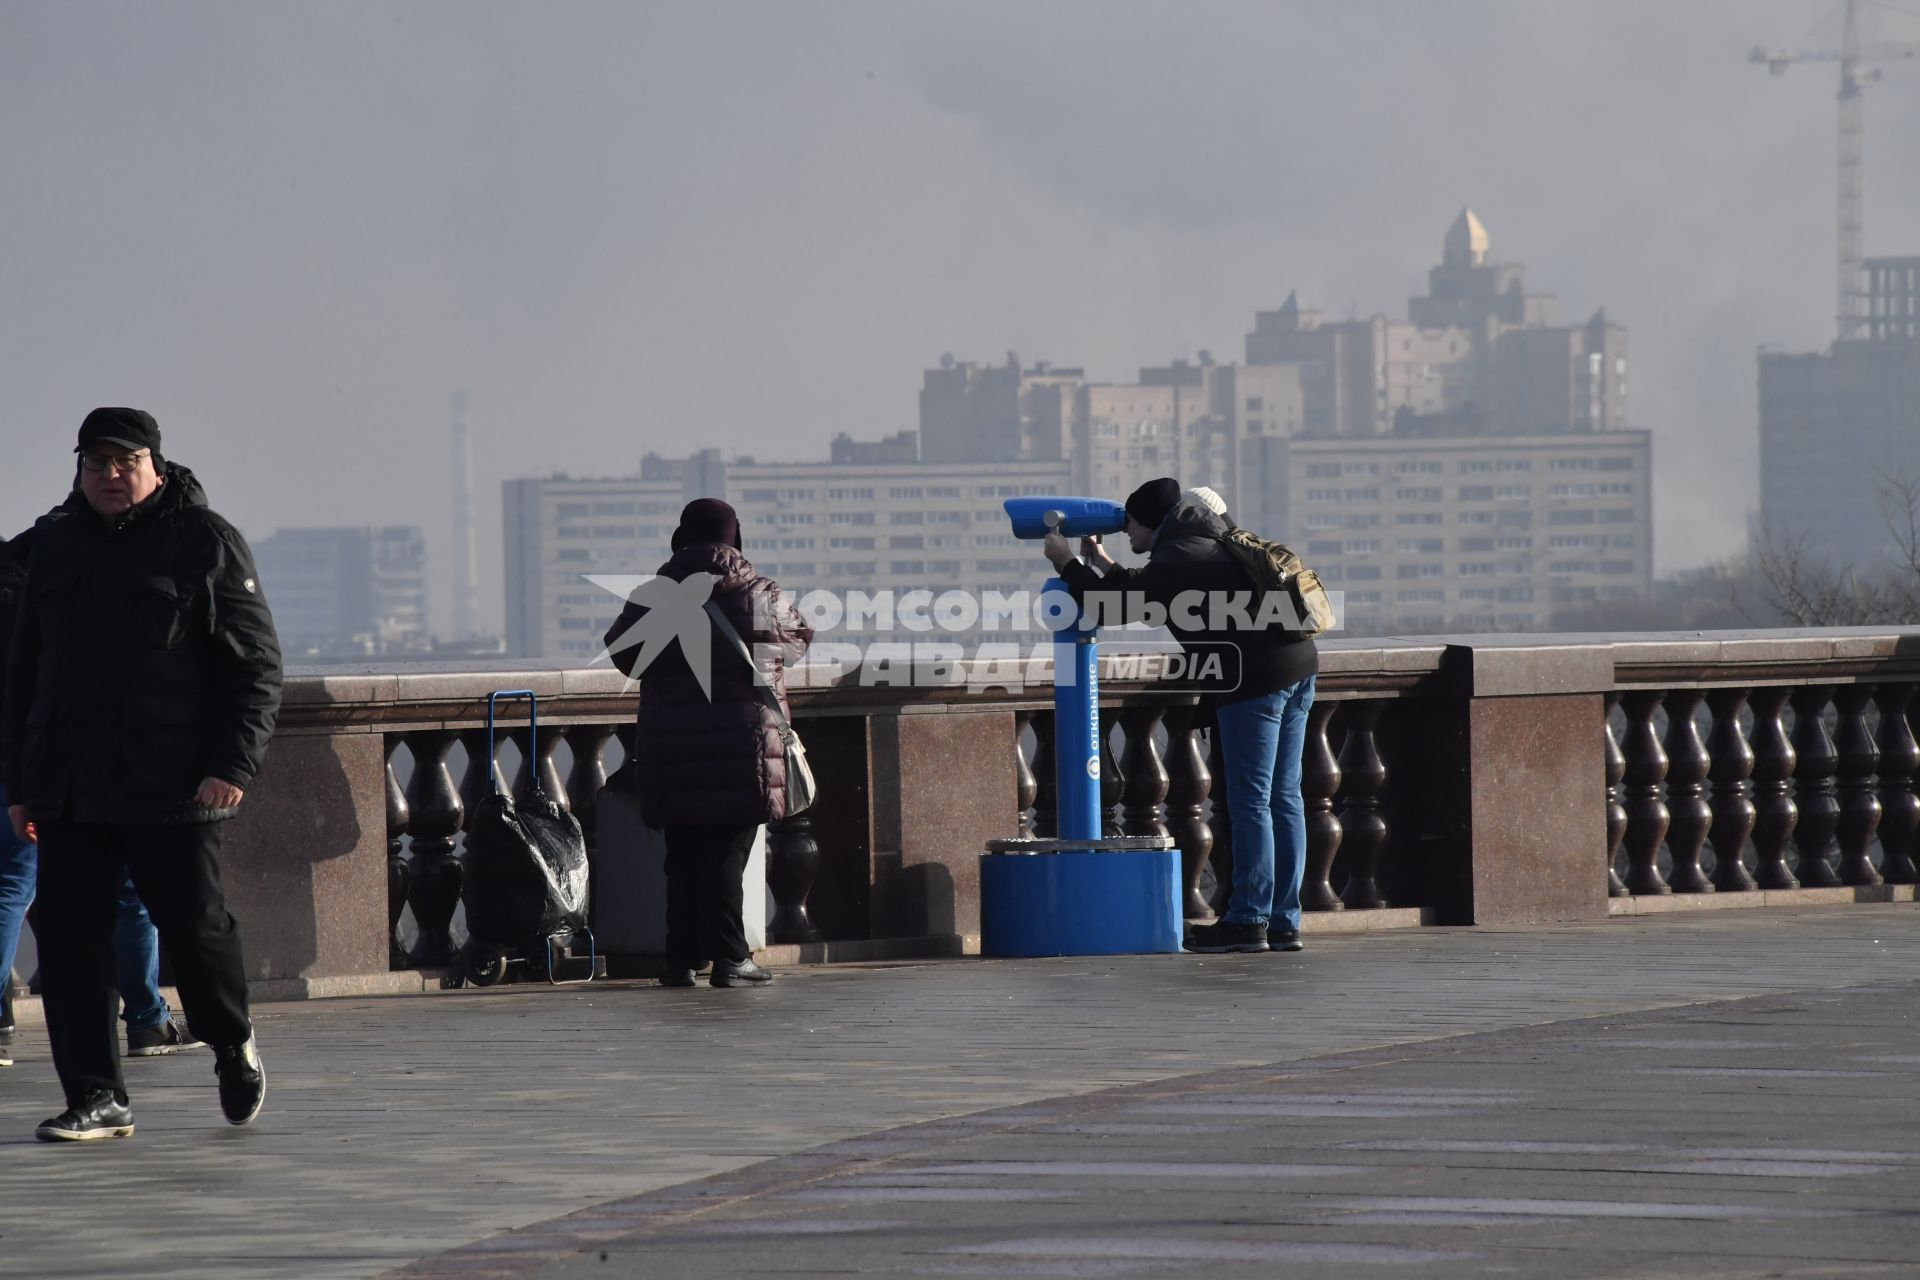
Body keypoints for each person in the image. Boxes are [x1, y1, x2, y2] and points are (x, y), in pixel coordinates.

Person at [2, 408, 282, 1141]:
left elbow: (254, 666)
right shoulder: (54, 545)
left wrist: (231, 764)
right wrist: (22, 784)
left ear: (154, 464)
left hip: (173, 788)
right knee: (69, 945)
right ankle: (96, 1095)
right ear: (79, 471)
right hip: (71, 789)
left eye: (125, 462)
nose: (110, 477)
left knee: (195, 930)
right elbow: (24, 673)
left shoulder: (203, 541)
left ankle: (231, 1041)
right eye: (97, 464)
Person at [1042, 476, 1318, 955]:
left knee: (1252, 802)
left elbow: (1110, 606)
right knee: (1284, 799)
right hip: (1298, 667)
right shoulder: (1207, 544)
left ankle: (1249, 919)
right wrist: (1104, 562)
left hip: (1254, 682)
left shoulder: (1180, 557)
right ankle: (1283, 921)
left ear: (1149, 522)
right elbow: (1145, 594)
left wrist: (1064, 562)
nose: (1126, 535)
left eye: (1128, 525)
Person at [1, 529, 199, 1068]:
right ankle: (145, 1016)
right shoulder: (52, 587)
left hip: (41, 764)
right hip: (62, 764)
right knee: (98, 891)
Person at [603, 498, 812, 989]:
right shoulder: (760, 593)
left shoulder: (653, 595)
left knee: (683, 854)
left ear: (681, 537)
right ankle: (731, 958)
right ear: (733, 537)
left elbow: (624, 656)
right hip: (742, 745)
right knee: (727, 853)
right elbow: (798, 638)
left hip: (672, 744)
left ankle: (681, 958)